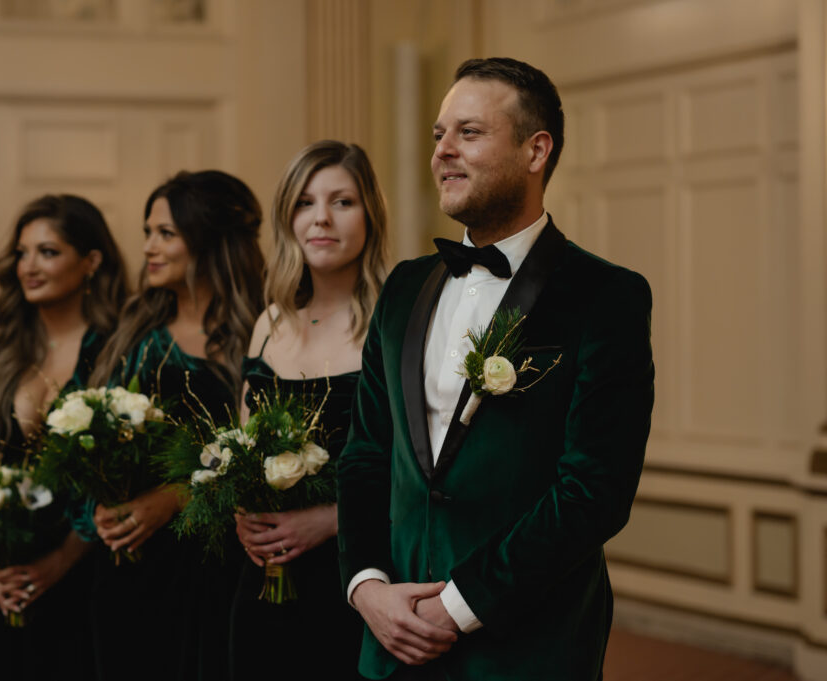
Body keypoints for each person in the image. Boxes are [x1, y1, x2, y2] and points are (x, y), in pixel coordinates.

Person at [337, 57, 655, 680]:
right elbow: (366, 454)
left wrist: (459, 606)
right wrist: (366, 585)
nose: (443, 152)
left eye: (469, 133)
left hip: (526, 642)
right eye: (438, 135)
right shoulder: (403, 288)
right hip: (392, 635)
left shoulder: (604, 296)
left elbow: (594, 489)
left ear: (536, 151)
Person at [84, 170, 266, 681]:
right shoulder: (134, 328)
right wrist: (102, 498)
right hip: (130, 561)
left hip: (217, 560)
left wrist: (176, 497)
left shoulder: (262, 330)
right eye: (148, 233)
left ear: (208, 240)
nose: (148, 247)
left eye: (165, 233)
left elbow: (261, 453)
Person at [231, 140, 389, 681]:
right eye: (304, 202)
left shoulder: (395, 322)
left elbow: (422, 467)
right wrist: (240, 512)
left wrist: (330, 520)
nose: (321, 218)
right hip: (263, 576)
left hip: (356, 576)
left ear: (369, 213)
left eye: (342, 201)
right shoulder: (269, 320)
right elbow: (241, 450)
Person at [0, 194, 128, 681]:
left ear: (91, 261)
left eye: (48, 252)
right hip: (8, 565)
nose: (29, 266)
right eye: (22, 252)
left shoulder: (117, 350)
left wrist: (61, 561)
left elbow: (119, 476)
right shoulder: (3, 350)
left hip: (88, 562)